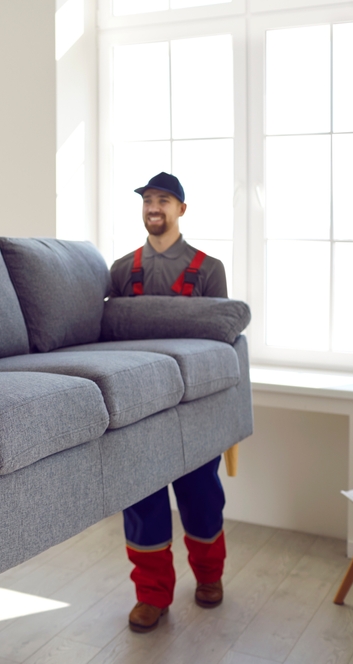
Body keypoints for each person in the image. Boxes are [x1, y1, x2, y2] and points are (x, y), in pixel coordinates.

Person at [108, 171, 228, 633]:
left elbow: (221, 343)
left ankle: (210, 578)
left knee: (201, 496)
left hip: (194, 407)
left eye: (163, 200)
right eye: (147, 200)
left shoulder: (208, 268)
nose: (153, 207)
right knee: (143, 502)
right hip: (139, 408)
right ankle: (152, 596)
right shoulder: (122, 271)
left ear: (181, 209)